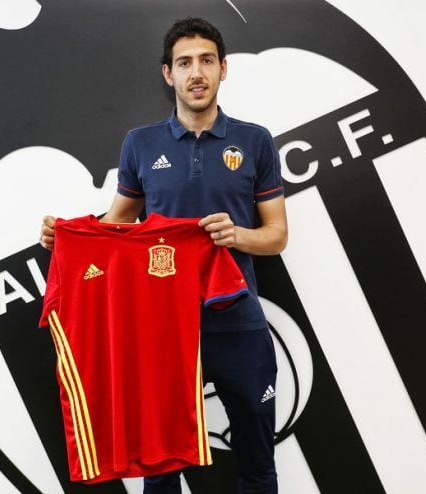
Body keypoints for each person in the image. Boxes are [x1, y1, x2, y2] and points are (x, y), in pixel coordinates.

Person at [40, 17, 287, 494]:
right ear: (167, 74)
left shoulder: (255, 140)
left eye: (207, 61)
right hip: (161, 331)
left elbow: (276, 236)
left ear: (223, 69)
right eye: (185, 63)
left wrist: (235, 235)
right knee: (160, 467)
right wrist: (67, 236)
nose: (197, 72)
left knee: (258, 459)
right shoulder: (141, 143)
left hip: (236, 321)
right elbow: (119, 223)